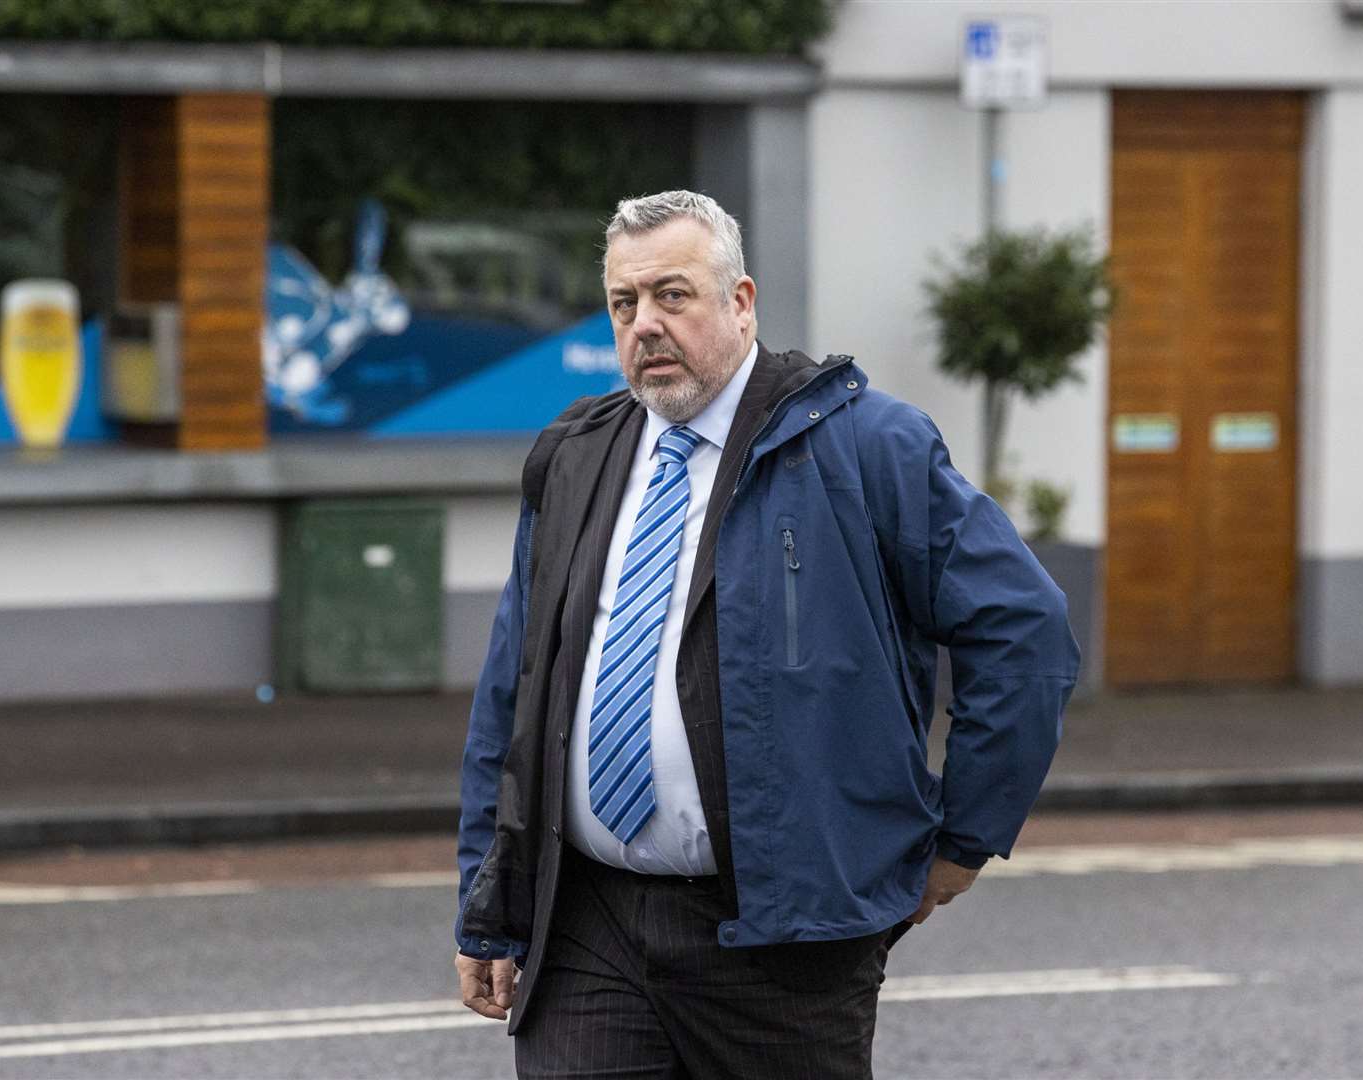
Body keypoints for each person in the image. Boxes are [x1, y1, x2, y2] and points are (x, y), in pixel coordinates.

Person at [454, 190, 1079, 1079]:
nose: (645, 326)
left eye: (673, 296)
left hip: (783, 939)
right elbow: (513, 695)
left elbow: (1027, 634)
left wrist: (963, 839)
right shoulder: (576, 455)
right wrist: (490, 900)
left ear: (740, 302)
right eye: (624, 304)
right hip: (587, 922)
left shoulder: (865, 445)